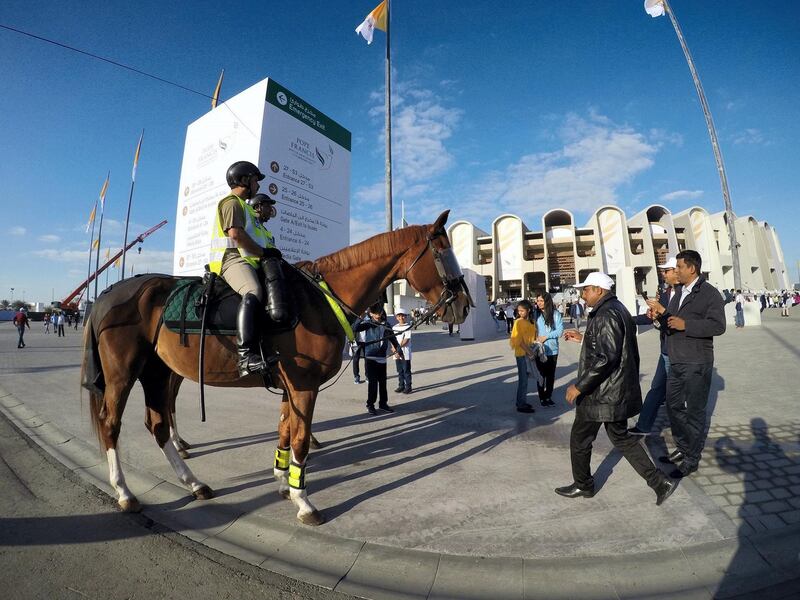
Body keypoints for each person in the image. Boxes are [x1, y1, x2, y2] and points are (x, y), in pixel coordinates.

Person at [557, 272, 676, 505]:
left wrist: (579, 387)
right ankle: (660, 482)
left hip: (601, 393)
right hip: (616, 390)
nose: (583, 294)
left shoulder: (605, 314)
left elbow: (605, 358)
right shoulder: (617, 308)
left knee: (580, 439)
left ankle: (583, 486)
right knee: (622, 438)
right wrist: (584, 338)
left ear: (599, 290)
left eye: (586, 289)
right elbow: (613, 347)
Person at [647, 249, 726, 479]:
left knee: (694, 411)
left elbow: (718, 326)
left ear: (692, 268)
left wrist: (686, 325)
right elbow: (672, 320)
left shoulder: (710, 294)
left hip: (697, 362)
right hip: (676, 359)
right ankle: (683, 448)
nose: (676, 271)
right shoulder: (678, 291)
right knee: (673, 407)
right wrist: (660, 315)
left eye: (679, 267)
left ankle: (691, 458)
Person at [209, 161, 285, 377]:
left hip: (249, 261)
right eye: (254, 180)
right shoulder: (231, 203)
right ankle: (246, 357)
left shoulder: (247, 208)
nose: (257, 185)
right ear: (244, 181)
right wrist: (264, 253)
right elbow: (236, 236)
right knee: (254, 291)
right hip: (230, 260)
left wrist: (269, 254)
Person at [628, 257, 680, 437]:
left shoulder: (686, 294)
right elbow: (651, 318)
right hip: (666, 350)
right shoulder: (665, 293)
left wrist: (661, 312)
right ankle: (644, 426)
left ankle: (683, 438)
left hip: (680, 353)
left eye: (667, 271)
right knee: (657, 388)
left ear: (677, 271)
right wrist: (629, 319)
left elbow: (680, 321)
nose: (663, 274)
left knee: (677, 397)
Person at [356, 303, 401, 415]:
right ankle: (370, 405)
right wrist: (360, 317)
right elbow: (355, 328)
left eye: (380, 312)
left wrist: (398, 350)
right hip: (370, 357)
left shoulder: (386, 324)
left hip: (382, 358)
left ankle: (383, 404)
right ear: (370, 313)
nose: (378, 315)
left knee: (383, 383)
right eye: (375, 313)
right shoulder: (368, 323)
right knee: (373, 384)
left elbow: (393, 339)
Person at [534, 292, 563, 407]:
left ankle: (548, 396)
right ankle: (542, 398)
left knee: (550, 376)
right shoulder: (535, 315)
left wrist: (546, 336)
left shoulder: (556, 314)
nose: (539, 303)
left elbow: (559, 331)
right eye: (538, 301)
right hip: (539, 349)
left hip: (553, 350)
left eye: (541, 301)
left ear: (547, 301)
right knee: (541, 375)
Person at [509, 299, 537, 413]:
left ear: (528, 310)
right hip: (522, 354)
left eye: (522, 311)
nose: (520, 313)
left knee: (526, 378)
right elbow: (517, 340)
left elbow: (533, 337)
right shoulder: (518, 322)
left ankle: (520, 401)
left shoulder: (531, 322)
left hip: (530, 352)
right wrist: (530, 352)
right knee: (523, 380)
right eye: (519, 311)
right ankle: (521, 404)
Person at [392, 307, 413, 394]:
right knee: (399, 370)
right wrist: (394, 348)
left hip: (405, 352)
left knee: (406, 370)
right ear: (396, 317)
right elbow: (392, 339)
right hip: (396, 353)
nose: (401, 318)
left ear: (406, 317)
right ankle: (401, 385)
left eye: (403, 316)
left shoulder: (408, 327)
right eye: (399, 316)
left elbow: (406, 340)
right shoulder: (394, 327)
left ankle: (408, 386)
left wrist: (397, 348)